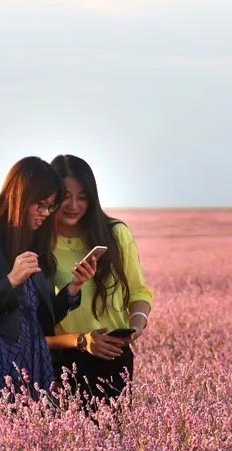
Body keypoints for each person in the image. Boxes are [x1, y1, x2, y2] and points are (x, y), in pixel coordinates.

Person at [0, 156, 97, 405]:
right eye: (40, 205)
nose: (45, 213)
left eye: (50, 207)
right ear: (19, 197)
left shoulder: (37, 246)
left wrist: (73, 287)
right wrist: (10, 281)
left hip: (36, 364)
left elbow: (41, 318)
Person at [45, 154, 154, 413]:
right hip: (63, 360)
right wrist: (82, 340)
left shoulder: (116, 234)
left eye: (82, 197)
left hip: (113, 356)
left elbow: (139, 291)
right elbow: (38, 320)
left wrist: (136, 326)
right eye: (65, 196)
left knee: (111, 445)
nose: (73, 205)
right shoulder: (40, 244)